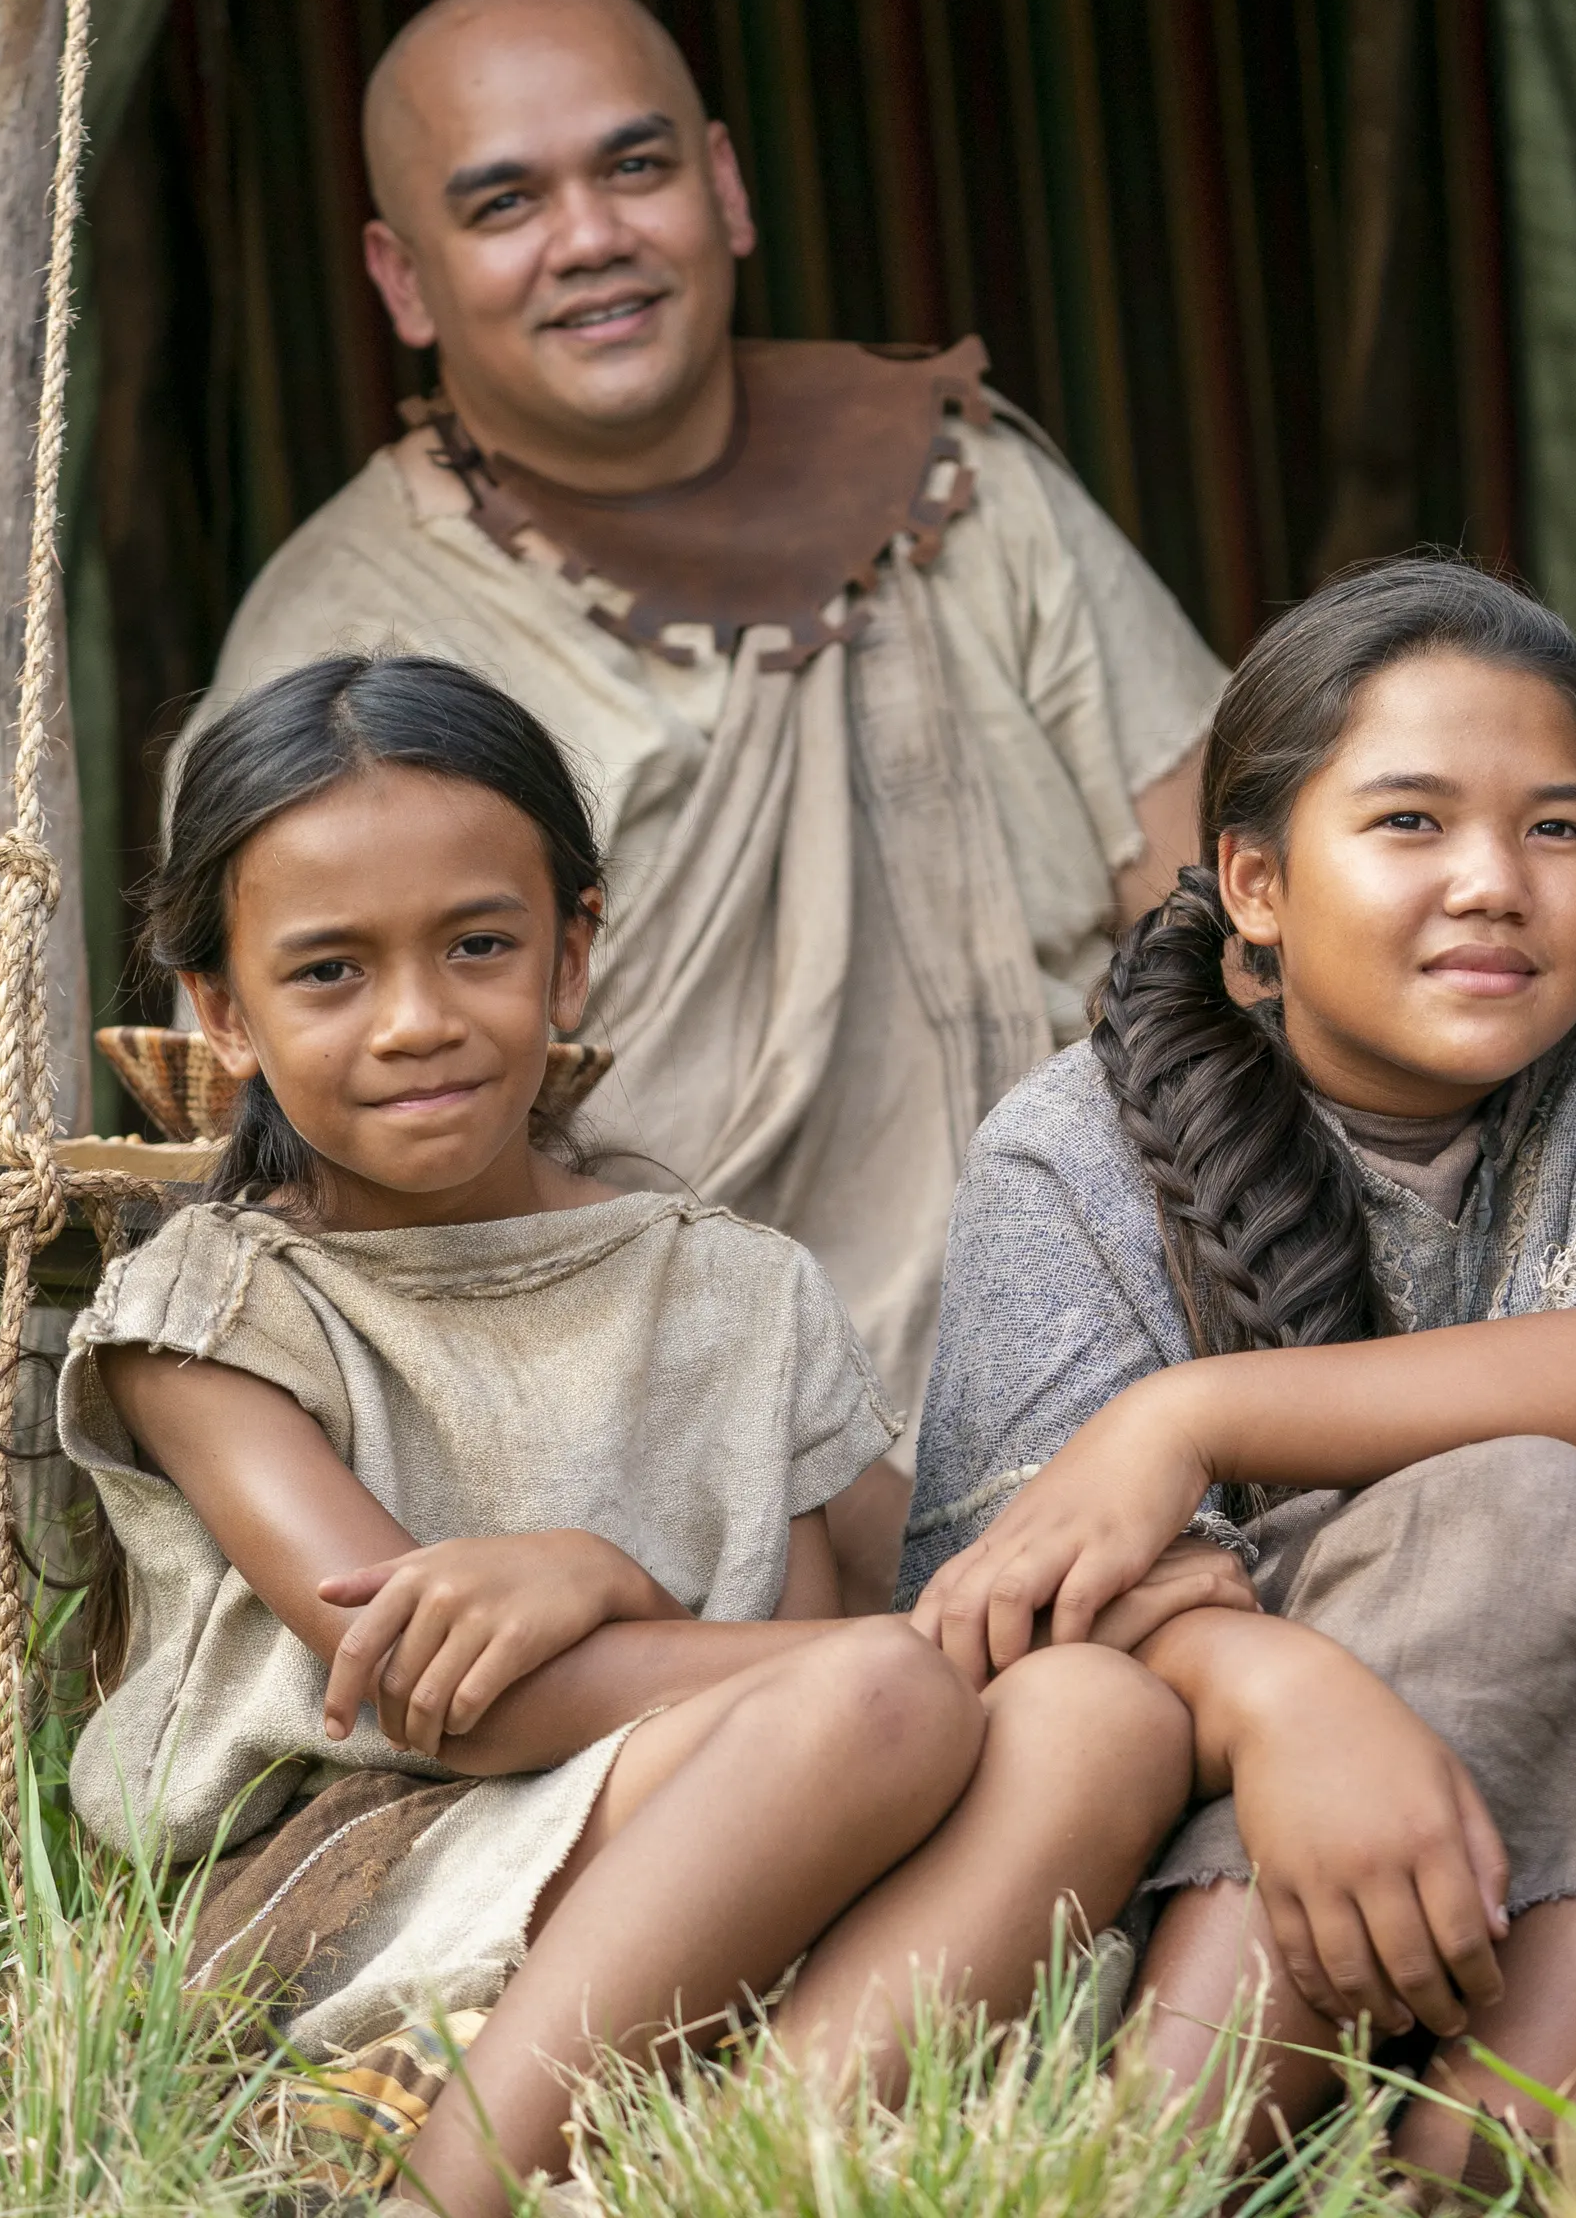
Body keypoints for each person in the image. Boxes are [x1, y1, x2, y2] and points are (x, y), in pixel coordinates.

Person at [61, 654, 1220, 2210]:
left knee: (1105, 1719)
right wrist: (627, 1580)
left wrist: (1115, 1601)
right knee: (893, 1691)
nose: (415, 1021)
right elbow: (435, 1699)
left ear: (571, 958)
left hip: (749, 1851)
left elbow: (884, 1619)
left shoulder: (732, 1291)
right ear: (224, 1011)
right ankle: (447, 2196)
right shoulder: (213, 1311)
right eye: (330, 972)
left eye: (479, 947)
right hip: (368, 1876)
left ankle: (729, 2175)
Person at [182, 0, 1228, 1601]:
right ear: (402, 277)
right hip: (649, 1480)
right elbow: (308, 1153)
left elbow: (1239, 917)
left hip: (1098, 1404)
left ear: (726, 188)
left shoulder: (966, 488)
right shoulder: (351, 632)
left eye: (637, 167)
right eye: (505, 204)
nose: (589, 237)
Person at [902, 560, 1576, 2185]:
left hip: (1572, 1868)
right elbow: (1015, 1606)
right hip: (1184, 1887)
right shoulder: (1073, 1151)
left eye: (1557, 830)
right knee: (1495, 1498)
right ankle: (1146, 2164)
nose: (1494, 884)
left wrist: (1193, 1416)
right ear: (1256, 882)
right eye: (1409, 823)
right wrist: (1298, 1706)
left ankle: (1482, 2170)